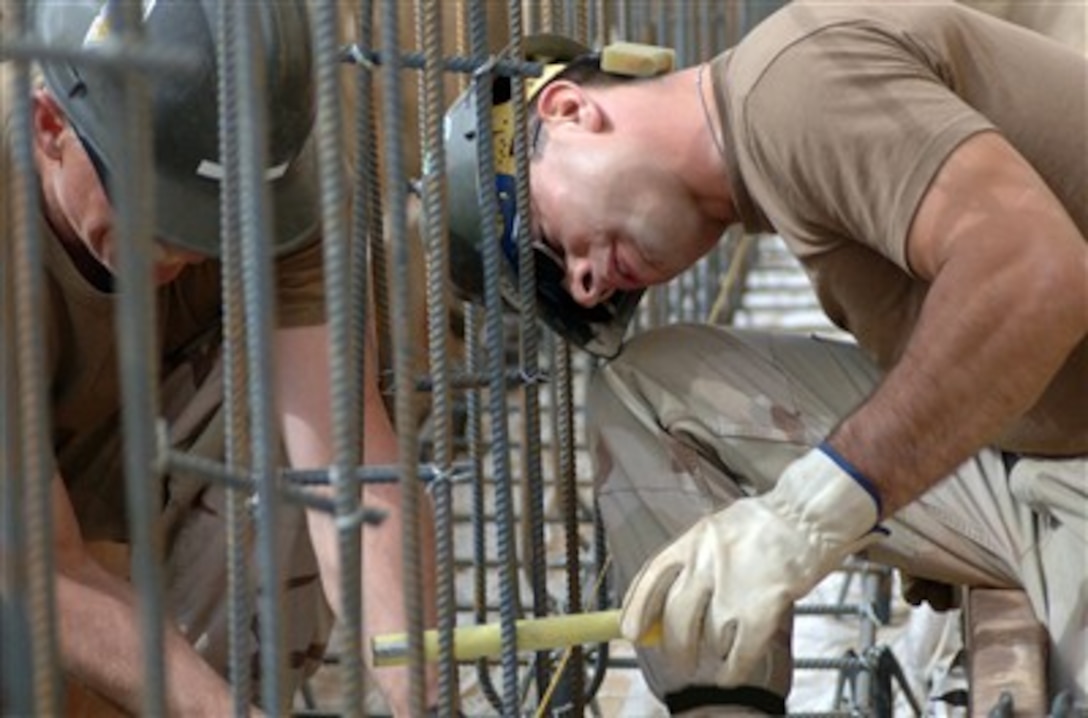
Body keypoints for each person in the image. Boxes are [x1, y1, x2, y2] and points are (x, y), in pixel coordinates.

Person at [444, 1, 1087, 714]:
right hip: (1048, 440)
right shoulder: (776, 134)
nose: (584, 283)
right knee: (648, 392)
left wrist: (814, 512)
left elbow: (1035, 272)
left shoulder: (795, 86)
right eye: (565, 284)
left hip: (1070, 466)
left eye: (545, 241)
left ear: (568, 109)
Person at [1, 0, 436, 714]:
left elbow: (348, 470)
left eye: (218, 222)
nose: (192, 251)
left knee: (293, 419)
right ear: (51, 127)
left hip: (121, 482)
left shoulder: (278, 171)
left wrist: (425, 691)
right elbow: (47, 569)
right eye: (165, 215)